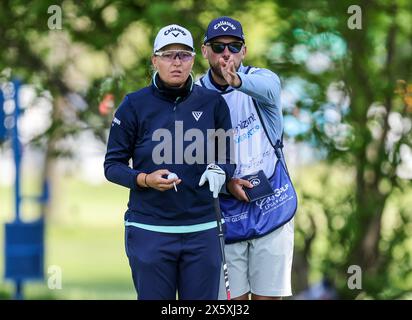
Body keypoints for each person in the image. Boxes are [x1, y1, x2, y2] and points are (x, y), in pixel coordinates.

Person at [104, 24, 235, 300]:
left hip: (202, 230)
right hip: (150, 229)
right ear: (154, 60)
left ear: (193, 59)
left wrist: (220, 170)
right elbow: (112, 166)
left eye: (184, 55)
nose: (176, 62)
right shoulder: (133, 105)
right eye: (168, 55)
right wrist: (145, 180)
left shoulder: (213, 103)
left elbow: (227, 158)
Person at [198, 16, 294, 300]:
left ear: (244, 51)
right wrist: (228, 184)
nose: (226, 53)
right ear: (205, 51)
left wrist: (236, 80)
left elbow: (268, 90)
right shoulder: (196, 95)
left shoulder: (263, 80)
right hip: (224, 209)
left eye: (233, 46)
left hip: (272, 204)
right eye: (218, 46)